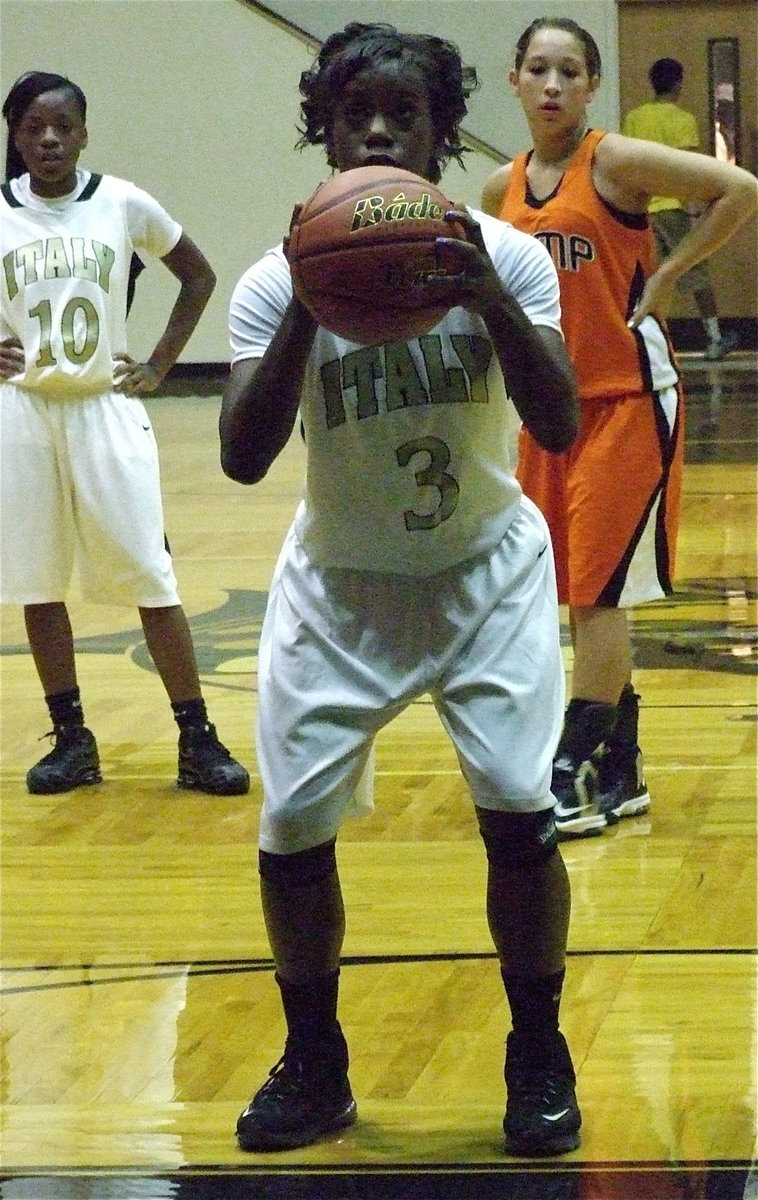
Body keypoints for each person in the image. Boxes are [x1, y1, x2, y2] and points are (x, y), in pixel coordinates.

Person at [220, 21, 582, 1159]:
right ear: (322, 131)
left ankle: (536, 1052)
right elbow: (239, 454)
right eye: (352, 114)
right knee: (287, 831)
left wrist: (490, 298)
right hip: (342, 579)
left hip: (484, 568)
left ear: (437, 131)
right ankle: (315, 1061)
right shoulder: (278, 275)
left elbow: (561, 423)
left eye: (403, 114)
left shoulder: (506, 257)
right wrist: (300, 307)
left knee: (519, 815)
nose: (377, 129)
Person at [482, 19, 757, 838]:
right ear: (516, 80)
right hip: (549, 412)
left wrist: (672, 269)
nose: (554, 84)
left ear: (593, 85)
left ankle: (568, 769)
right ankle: (624, 766)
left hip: (631, 403)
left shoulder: (613, 160)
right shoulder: (502, 186)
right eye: (539, 68)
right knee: (570, 595)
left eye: (570, 70)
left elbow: (739, 188)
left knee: (600, 597)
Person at [0, 71, 250, 797]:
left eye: (63, 126)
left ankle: (197, 737)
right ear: (14, 136)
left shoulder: (122, 200)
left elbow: (197, 276)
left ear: (83, 131)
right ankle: (72, 738)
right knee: (38, 582)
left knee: (151, 573)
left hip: (105, 407)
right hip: (23, 414)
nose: (48, 139)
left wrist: (162, 363)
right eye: (33, 128)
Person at [622, 57, 740, 360]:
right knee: (693, 270)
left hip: (641, 209)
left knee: (648, 276)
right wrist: (696, 207)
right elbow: (689, 170)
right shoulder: (683, 120)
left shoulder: (634, 118)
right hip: (672, 206)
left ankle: (640, 338)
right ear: (678, 83)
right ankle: (714, 339)